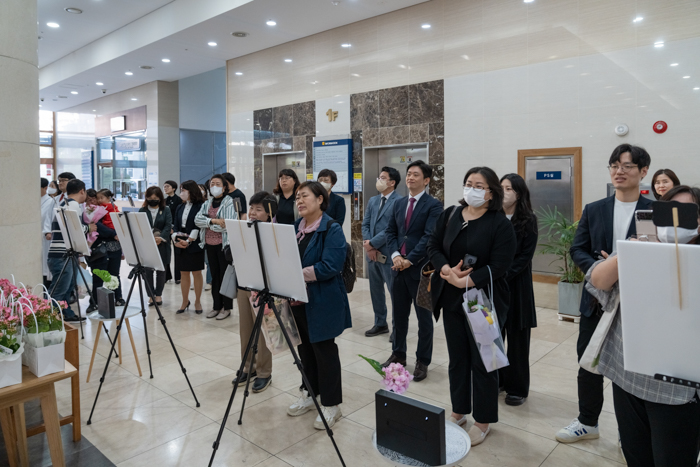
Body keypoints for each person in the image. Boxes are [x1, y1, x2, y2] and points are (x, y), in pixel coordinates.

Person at [584, 185, 700, 466]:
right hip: (629, 375)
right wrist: (632, 250)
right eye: (667, 212)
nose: (674, 221)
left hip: (678, 389)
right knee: (636, 455)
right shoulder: (637, 247)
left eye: (686, 213)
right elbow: (597, 280)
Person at [557, 144, 653, 443]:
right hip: (596, 302)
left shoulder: (654, 210)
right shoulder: (595, 208)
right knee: (589, 363)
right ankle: (588, 422)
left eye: (627, 166)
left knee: (635, 370)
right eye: (614, 165)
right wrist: (599, 267)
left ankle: (635, 434)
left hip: (638, 305)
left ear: (643, 171)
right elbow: (577, 249)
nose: (619, 171)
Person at [427, 167, 516, 446]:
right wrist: (445, 270)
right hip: (450, 297)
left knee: (484, 362)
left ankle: (483, 420)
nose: (473, 190)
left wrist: (467, 282)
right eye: (469, 184)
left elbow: (502, 264)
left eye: (479, 186)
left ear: (491, 193)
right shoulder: (451, 215)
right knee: (458, 358)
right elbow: (433, 246)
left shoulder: (499, 223)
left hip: (482, 300)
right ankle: (459, 411)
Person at [286, 181, 351, 430]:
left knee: (324, 352)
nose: (299, 201)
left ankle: (332, 404)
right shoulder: (295, 227)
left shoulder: (331, 228)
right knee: (304, 350)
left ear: (320, 199)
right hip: (296, 300)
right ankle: (310, 393)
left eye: (305, 196)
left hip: (323, 300)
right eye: (297, 198)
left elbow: (331, 266)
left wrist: (295, 273)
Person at [381, 160, 443, 382]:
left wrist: (410, 260)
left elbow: (429, 237)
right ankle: (398, 355)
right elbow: (390, 232)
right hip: (398, 269)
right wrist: (396, 255)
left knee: (424, 319)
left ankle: (422, 361)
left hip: (420, 271)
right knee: (399, 316)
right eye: (408, 174)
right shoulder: (398, 203)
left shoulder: (434, 206)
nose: (410, 178)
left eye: (416, 175)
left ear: (426, 180)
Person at [498, 173, 538, 407]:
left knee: (517, 340)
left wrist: (503, 274)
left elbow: (525, 256)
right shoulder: (493, 217)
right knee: (493, 336)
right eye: (501, 187)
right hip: (494, 285)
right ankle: (498, 380)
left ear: (519, 193)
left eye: (509, 188)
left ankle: (517, 387)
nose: (504, 192)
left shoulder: (528, 219)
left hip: (517, 286)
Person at [232, 191, 277, 393]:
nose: (252, 213)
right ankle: (248, 366)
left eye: (258, 210)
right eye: (251, 208)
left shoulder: (275, 232)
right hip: (244, 283)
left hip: (263, 288)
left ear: (269, 213)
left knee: (263, 331)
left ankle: (264, 372)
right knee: (246, 329)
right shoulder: (243, 229)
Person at [361, 166, 403, 337]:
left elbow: (390, 229)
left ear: (392, 182)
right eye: (379, 177)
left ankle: (397, 329)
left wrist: (372, 244)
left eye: (383, 177)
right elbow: (365, 224)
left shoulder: (399, 202)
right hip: (372, 256)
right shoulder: (372, 201)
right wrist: (368, 246)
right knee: (376, 291)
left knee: (395, 294)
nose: (379, 180)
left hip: (388, 254)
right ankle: (380, 323)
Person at [195, 174, 237, 320]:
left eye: (218, 184)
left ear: (224, 187)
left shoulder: (229, 202)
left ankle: (227, 307)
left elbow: (228, 225)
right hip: (209, 245)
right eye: (212, 183)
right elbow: (197, 220)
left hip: (223, 245)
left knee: (224, 277)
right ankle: (216, 306)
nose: (214, 186)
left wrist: (209, 224)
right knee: (214, 277)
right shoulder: (207, 203)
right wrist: (214, 221)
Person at [47, 179, 89, 322]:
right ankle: (50, 320)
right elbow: (75, 229)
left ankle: (67, 314)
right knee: (59, 290)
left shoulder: (64, 203)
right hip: (62, 255)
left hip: (63, 253)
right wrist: (89, 228)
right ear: (82, 191)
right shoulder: (73, 205)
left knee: (66, 288)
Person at [85, 189, 125, 309]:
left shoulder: (110, 208)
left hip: (114, 247)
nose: (93, 201)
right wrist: (113, 234)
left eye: (95, 198)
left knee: (114, 274)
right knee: (98, 276)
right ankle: (94, 303)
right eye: (89, 199)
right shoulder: (89, 211)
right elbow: (98, 226)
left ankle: (118, 298)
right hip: (98, 248)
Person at [172, 180, 205, 314]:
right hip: (181, 242)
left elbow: (200, 225)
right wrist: (176, 239)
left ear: (191, 191)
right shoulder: (180, 207)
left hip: (195, 242)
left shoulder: (201, 206)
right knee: (183, 273)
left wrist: (190, 241)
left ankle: (197, 301)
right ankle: (185, 301)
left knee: (196, 272)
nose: (182, 193)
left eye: (184, 190)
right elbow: (176, 225)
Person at [139, 187, 172, 306]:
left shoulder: (166, 209)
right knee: (148, 271)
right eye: (150, 198)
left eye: (155, 198)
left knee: (161, 270)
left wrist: (160, 238)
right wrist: (149, 239)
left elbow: (168, 226)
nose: (153, 200)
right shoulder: (142, 210)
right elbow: (139, 227)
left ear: (160, 198)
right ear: (146, 198)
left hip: (162, 243)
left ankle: (158, 295)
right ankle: (150, 295)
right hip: (147, 244)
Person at [164, 180, 182, 284]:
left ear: (174, 188)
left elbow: (178, 216)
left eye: (167, 186)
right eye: (164, 187)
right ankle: (167, 276)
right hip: (166, 229)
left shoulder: (178, 200)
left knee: (177, 252)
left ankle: (178, 276)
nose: (165, 188)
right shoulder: (164, 201)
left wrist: (174, 228)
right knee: (166, 252)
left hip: (175, 229)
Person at [41, 178, 57, 287]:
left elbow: (49, 219)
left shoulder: (51, 201)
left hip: (46, 239)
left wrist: (47, 232)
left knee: (45, 268)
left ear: (45, 188)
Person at [198, 184, 212, 291]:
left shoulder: (209, 203)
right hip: (196, 235)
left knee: (208, 261)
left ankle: (209, 281)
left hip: (208, 234)